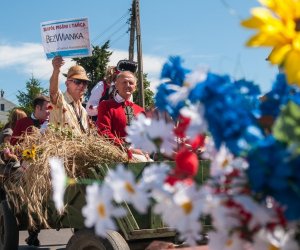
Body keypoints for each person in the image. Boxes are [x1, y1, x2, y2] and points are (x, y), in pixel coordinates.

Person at [97, 71, 150, 160]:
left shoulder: (140, 110)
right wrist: (127, 148)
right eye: (124, 82)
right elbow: (104, 132)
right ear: (116, 85)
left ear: (135, 87)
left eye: (131, 83)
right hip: (116, 154)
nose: (128, 85)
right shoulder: (105, 105)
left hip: (140, 155)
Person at [49, 56, 90, 135]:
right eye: (77, 81)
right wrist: (56, 70)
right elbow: (53, 92)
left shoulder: (84, 111)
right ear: (67, 83)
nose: (81, 85)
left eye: (85, 82)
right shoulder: (61, 101)